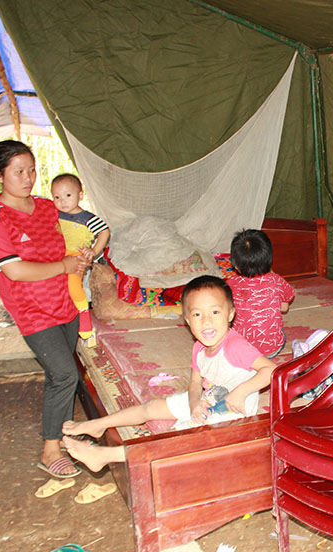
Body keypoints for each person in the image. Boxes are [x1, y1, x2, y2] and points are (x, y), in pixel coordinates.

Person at [62, 275, 275, 472]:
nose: (206, 321)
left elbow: (271, 370)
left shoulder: (235, 346)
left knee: (176, 438)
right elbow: (195, 382)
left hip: (233, 412)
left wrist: (241, 391)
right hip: (208, 399)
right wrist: (194, 403)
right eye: (197, 314)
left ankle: (103, 456)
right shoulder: (199, 348)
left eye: (215, 312)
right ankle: (98, 425)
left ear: (230, 314)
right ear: (187, 320)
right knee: (152, 407)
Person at [0, 140, 90, 478]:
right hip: (32, 310)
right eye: (18, 172)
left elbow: (65, 246)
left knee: (60, 374)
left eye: (32, 170)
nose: (28, 178)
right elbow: (14, 270)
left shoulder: (45, 207)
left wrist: (80, 258)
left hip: (64, 302)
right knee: (65, 374)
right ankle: (50, 450)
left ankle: (65, 436)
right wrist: (64, 266)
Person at [50, 173, 110, 340]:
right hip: (56, 256)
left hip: (76, 257)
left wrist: (94, 251)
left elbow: (104, 232)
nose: (62, 201)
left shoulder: (86, 218)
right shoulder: (54, 214)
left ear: (80, 195)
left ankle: (84, 318)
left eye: (68, 195)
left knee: (73, 286)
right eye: (57, 197)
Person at [226, 229, 295, 357]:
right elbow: (284, 308)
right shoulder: (276, 281)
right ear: (270, 259)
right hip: (271, 350)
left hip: (241, 351)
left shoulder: (231, 284)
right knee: (279, 330)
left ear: (235, 266)